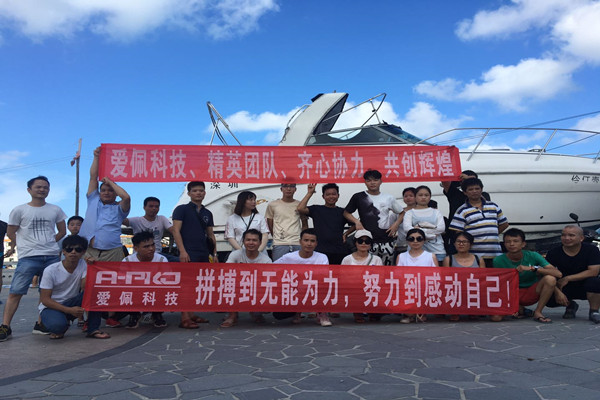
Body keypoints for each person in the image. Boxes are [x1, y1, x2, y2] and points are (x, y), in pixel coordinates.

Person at [0, 176, 67, 341]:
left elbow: (62, 231)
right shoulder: (19, 210)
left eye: (45, 187)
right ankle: (6, 326)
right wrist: (23, 245)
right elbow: (10, 232)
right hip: (28, 257)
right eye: (38, 187)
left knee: (46, 293)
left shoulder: (55, 209)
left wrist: (50, 243)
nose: (42, 190)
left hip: (51, 256)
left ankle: (40, 324)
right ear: (29, 190)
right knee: (16, 292)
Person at [39, 235, 110, 339]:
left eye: (78, 249)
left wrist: (91, 268)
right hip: (52, 307)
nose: (73, 252)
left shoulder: (84, 265)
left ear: (83, 252)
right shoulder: (50, 270)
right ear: (63, 251)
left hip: (72, 302)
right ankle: (56, 322)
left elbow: (85, 287)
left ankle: (93, 329)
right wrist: (69, 310)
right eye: (69, 249)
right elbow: (45, 300)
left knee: (95, 292)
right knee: (57, 327)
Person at [492, 228, 561, 323]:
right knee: (496, 318)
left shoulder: (533, 255)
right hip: (511, 294)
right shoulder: (498, 260)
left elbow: (558, 273)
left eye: (516, 241)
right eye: (508, 242)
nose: (511, 244)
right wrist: (510, 303)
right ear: (504, 244)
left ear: (523, 244)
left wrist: (533, 268)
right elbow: (499, 284)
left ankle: (538, 312)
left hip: (531, 292)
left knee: (550, 279)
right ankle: (521, 309)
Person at [172, 181, 216, 329]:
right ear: (189, 193)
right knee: (186, 285)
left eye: (201, 190)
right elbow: (176, 231)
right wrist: (182, 251)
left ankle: (192, 314)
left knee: (197, 284)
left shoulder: (207, 213)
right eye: (195, 190)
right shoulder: (181, 209)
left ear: (205, 193)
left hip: (203, 252)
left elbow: (210, 235)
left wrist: (214, 253)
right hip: (188, 252)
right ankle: (184, 318)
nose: (198, 193)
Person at [79, 146, 131, 263]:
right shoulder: (93, 200)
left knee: (113, 275)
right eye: (103, 190)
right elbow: (93, 178)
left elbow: (126, 197)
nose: (106, 193)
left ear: (116, 193)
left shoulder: (119, 208)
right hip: (89, 251)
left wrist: (110, 182)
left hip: (113, 252)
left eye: (111, 190)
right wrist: (96, 157)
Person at [344, 170, 404, 265]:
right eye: (369, 180)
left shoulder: (389, 197)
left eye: (375, 180)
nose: (372, 183)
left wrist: (395, 225)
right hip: (366, 241)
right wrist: (356, 221)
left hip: (386, 239)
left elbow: (402, 213)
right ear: (365, 182)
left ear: (381, 181)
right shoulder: (359, 197)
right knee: (367, 269)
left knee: (386, 269)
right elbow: (346, 213)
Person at [274, 228, 331, 326]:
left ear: (316, 243)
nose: (309, 244)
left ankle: (322, 313)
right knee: (278, 314)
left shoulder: (322, 257)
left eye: (312, 241)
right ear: (300, 241)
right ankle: (297, 312)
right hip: (294, 289)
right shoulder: (288, 257)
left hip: (315, 287)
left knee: (326, 285)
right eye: (306, 240)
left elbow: (324, 276)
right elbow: (271, 268)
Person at [545, 225, 600, 323]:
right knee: (547, 297)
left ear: (581, 238)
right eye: (563, 235)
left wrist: (568, 278)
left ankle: (594, 311)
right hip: (564, 285)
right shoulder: (553, 252)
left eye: (571, 235)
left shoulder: (592, 250)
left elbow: (593, 271)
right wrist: (557, 292)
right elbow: (547, 273)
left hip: (585, 283)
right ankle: (570, 305)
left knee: (595, 282)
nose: (566, 238)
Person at [449, 178, 508, 267]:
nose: (474, 191)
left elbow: (504, 224)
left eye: (477, 188)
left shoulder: (493, 206)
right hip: (475, 256)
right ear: (465, 192)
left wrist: (491, 234)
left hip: (495, 253)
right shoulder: (461, 210)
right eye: (470, 189)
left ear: (481, 189)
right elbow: (458, 233)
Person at [221, 229, 273, 328]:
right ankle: (232, 315)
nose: (251, 243)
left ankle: (256, 312)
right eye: (248, 240)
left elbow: (269, 280)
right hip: (238, 285)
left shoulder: (266, 260)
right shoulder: (235, 254)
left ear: (260, 243)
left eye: (254, 240)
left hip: (257, 287)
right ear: (243, 241)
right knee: (228, 284)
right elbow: (227, 271)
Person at [121, 230, 168, 328]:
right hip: (135, 291)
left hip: (155, 290)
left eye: (152, 245)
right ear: (136, 248)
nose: (151, 249)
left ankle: (157, 314)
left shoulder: (161, 260)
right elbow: (122, 282)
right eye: (146, 247)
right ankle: (134, 314)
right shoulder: (127, 261)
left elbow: (168, 280)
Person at [297, 183, 352, 265]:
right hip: (319, 250)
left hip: (338, 251)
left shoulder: (343, 212)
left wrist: (346, 234)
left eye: (334, 194)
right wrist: (310, 193)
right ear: (323, 196)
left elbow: (356, 224)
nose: (331, 196)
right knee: (319, 272)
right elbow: (300, 208)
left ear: (338, 195)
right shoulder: (316, 209)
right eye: (328, 194)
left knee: (337, 272)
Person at [341, 229, 383, 323]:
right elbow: (343, 277)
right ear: (355, 243)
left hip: (371, 288)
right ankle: (357, 311)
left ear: (370, 244)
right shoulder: (347, 259)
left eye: (367, 241)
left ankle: (373, 311)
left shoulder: (376, 259)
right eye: (360, 241)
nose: (363, 244)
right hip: (354, 288)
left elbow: (380, 277)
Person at [397, 228, 438, 323]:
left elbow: (436, 277)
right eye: (411, 239)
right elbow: (398, 276)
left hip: (425, 288)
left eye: (419, 239)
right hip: (407, 288)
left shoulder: (431, 256)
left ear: (424, 240)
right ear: (407, 240)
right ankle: (409, 313)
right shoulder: (401, 256)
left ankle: (420, 312)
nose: (415, 241)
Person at [123, 196, 177, 261]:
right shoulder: (136, 220)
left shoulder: (161, 219)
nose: (154, 208)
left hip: (157, 254)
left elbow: (174, 231)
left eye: (156, 206)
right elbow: (120, 220)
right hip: (139, 255)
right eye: (151, 206)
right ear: (144, 207)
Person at [402, 185, 446, 263]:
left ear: (430, 197)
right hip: (415, 250)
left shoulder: (436, 212)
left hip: (437, 250)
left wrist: (418, 229)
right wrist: (432, 234)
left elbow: (441, 228)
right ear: (415, 197)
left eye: (426, 195)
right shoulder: (409, 213)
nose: (423, 197)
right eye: (420, 195)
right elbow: (407, 229)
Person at [265, 183, 308, 261]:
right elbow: (270, 224)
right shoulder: (272, 205)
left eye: (291, 186)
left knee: (298, 267)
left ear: (295, 189)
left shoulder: (300, 205)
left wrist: (303, 240)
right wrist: (277, 237)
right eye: (285, 186)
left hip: (297, 243)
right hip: (279, 243)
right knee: (279, 267)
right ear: (281, 189)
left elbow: (304, 224)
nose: (288, 189)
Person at [395, 187, 416, 256]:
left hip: (417, 244)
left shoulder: (420, 211)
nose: (408, 198)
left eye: (411, 196)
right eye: (405, 196)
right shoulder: (398, 212)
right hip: (402, 245)